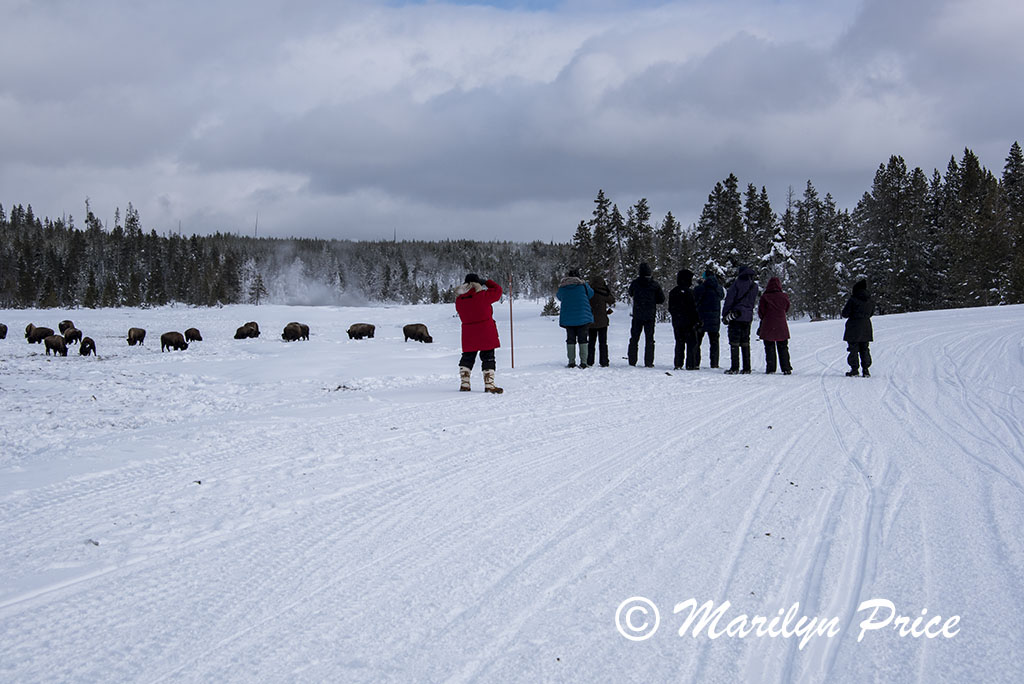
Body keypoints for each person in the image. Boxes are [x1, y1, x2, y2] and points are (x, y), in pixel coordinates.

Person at [455, 273, 503, 393]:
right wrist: (487, 282)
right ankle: (489, 385)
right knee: (488, 358)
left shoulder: (459, 299)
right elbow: (498, 290)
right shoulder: (483, 295)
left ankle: (465, 384)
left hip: (468, 332)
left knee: (468, 357)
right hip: (485, 330)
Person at [721, 265, 759, 374]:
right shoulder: (754, 286)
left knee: (734, 342)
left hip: (736, 316)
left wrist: (725, 314)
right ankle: (747, 367)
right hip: (748, 316)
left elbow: (729, 300)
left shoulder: (736, 285)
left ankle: (735, 367)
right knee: (745, 342)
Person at [627, 262, 665, 367]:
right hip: (649, 315)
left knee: (634, 338)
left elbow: (630, 293)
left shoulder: (635, 283)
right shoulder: (654, 284)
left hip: (638, 314)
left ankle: (632, 360)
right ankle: (648, 362)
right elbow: (661, 299)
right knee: (649, 339)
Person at [556, 269, 595, 368]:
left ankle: (571, 362)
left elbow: (559, 297)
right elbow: (591, 294)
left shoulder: (563, 287)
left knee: (571, 339)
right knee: (583, 339)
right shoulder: (584, 286)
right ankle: (584, 362)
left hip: (568, 317)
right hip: (583, 316)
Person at [756, 276, 792, 375]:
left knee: (769, 347)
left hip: (768, 324)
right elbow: (787, 308)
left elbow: (761, 312)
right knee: (783, 347)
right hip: (781, 325)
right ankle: (786, 368)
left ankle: (771, 368)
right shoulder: (784, 296)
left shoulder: (765, 297)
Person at [668, 268, 701, 370]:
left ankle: (678, 363)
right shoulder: (690, 292)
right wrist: (697, 320)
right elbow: (693, 308)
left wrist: (676, 315)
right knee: (691, 343)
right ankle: (691, 364)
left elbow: (670, 308)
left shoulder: (673, 291)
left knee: (679, 342)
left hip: (677, 321)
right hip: (689, 322)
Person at [842, 279, 875, 377]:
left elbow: (845, 313)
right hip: (866, 326)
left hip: (853, 327)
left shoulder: (853, 299)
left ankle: (854, 369)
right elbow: (871, 313)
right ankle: (866, 370)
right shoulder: (870, 300)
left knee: (853, 349)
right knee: (865, 348)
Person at [693, 269, 725, 368]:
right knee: (714, 342)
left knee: (697, 342)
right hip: (714, 319)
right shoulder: (718, 288)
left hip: (701, 318)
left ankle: (695, 362)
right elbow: (722, 296)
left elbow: (695, 299)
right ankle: (714, 363)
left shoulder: (700, 288)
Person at [586, 275, 615, 367]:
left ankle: (589, 360)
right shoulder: (604, 293)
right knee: (603, 342)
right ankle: (604, 361)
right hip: (602, 321)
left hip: (591, 321)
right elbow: (612, 300)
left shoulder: (589, 292)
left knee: (591, 342)